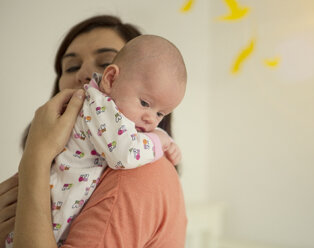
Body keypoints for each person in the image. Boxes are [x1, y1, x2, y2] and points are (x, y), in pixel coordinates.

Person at [0, 15, 187, 248]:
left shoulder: (136, 172)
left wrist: (34, 160)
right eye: (71, 67)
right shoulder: (61, 163)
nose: (85, 74)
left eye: (104, 62)